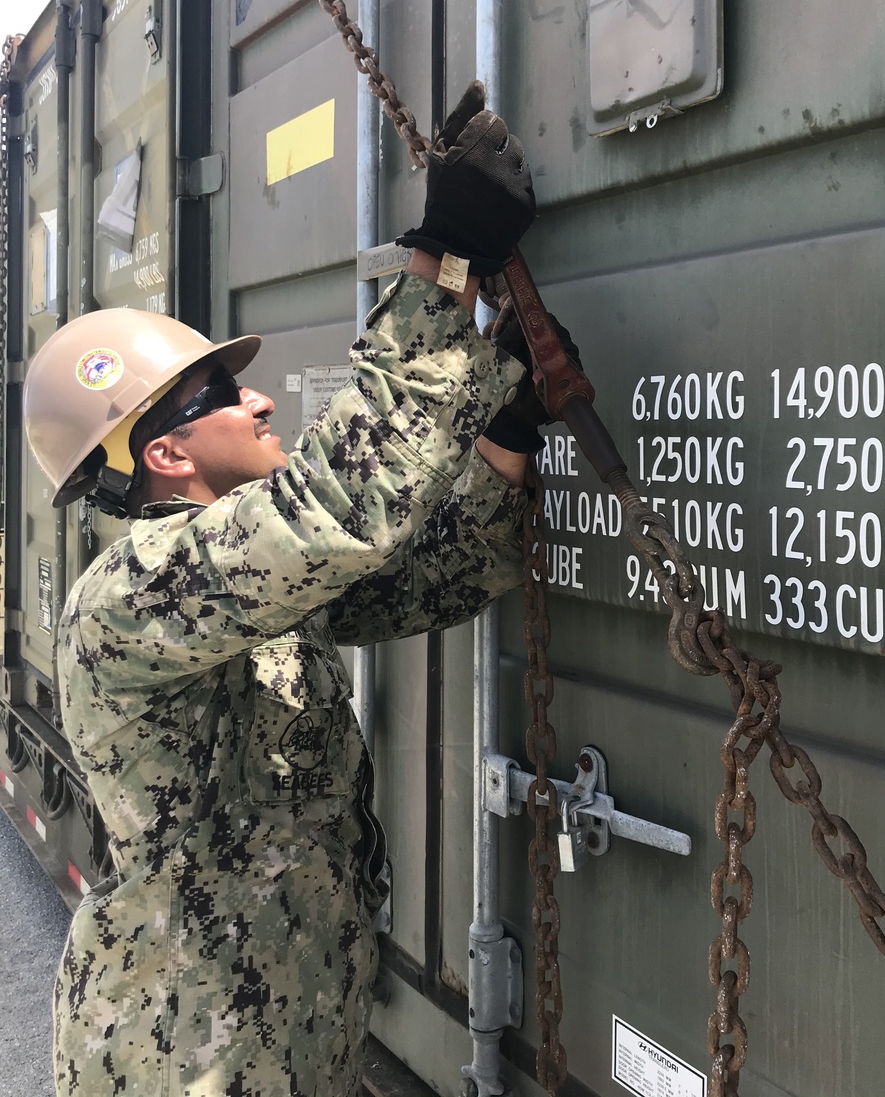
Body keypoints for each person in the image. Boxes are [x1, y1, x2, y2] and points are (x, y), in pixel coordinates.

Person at [24, 88, 560, 1097]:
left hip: (283, 1043)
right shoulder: (137, 596)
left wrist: (508, 433)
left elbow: (427, 574)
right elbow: (346, 504)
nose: (261, 396)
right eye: (222, 393)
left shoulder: (239, 588)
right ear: (168, 449)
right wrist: (442, 259)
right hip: (178, 1064)